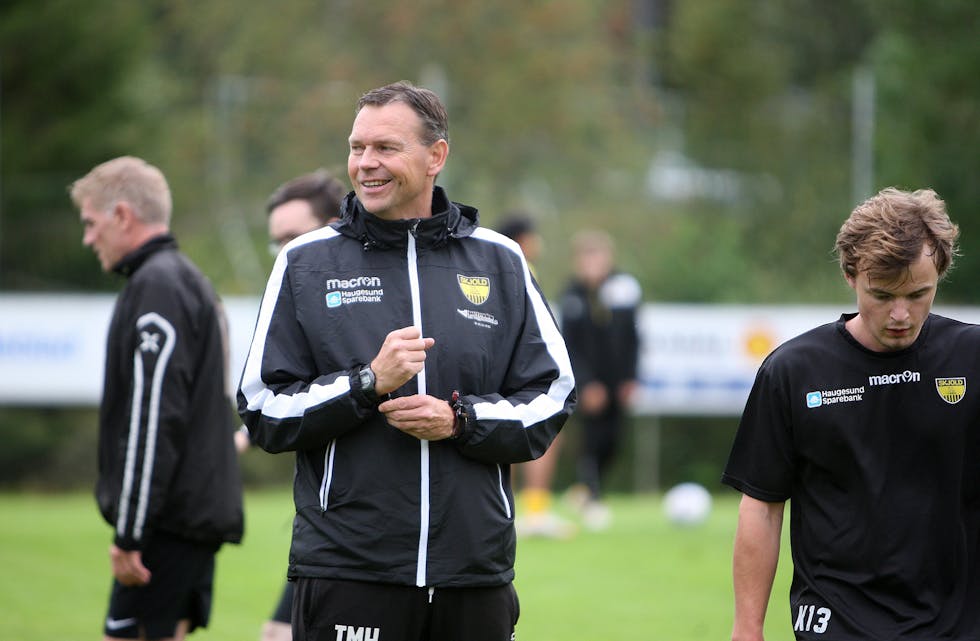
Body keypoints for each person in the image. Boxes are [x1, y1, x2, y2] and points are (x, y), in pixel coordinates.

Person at [237, 81, 576, 641]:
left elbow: (553, 394)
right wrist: (366, 384)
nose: (365, 163)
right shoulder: (305, 262)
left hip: (474, 572)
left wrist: (460, 421)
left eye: (386, 148)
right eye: (356, 147)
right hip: (350, 569)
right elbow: (261, 407)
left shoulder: (499, 259)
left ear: (436, 156)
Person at [722, 187, 980, 641]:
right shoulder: (794, 372)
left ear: (940, 271)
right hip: (837, 621)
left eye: (919, 294)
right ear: (849, 275)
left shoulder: (971, 358)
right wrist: (747, 628)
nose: (901, 313)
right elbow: (762, 506)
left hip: (956, 623)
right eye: (881, 295)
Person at [71, 156, 244, 641]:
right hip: (185, 521)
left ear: (122, 215)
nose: (88, 238)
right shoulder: (185, 278)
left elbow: (153, 420)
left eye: (91, 222)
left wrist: (130, 531)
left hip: (166, 525)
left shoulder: (157, 286)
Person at [237, 168, 347, 641]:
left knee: (279, 631)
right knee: (278, 631)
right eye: (276, 240)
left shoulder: (360, 297)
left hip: (369, 526)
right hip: (322, 518)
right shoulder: (294, 298)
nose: (285, 250)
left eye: (294, 236)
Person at [497, 213, 574, 539]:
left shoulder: (490, 263)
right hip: (516, 375)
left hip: (499, 372)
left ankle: (505, 512)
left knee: (503, 439)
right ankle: (535, 514)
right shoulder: (519, 267)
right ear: (523, 239)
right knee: (540, 435)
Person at [559, 229, 641, 531]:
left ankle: (583, 490)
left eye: (597, 256)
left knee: (613, 442)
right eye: (587, 257)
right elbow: (568, 344)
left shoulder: (624, 288)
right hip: (588, 382)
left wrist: (631, 378)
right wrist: (585, 382)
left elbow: (633, 337)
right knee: (591, 440)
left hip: (618, 381)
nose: (592, 263)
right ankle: (592, 497)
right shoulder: (571, 295)